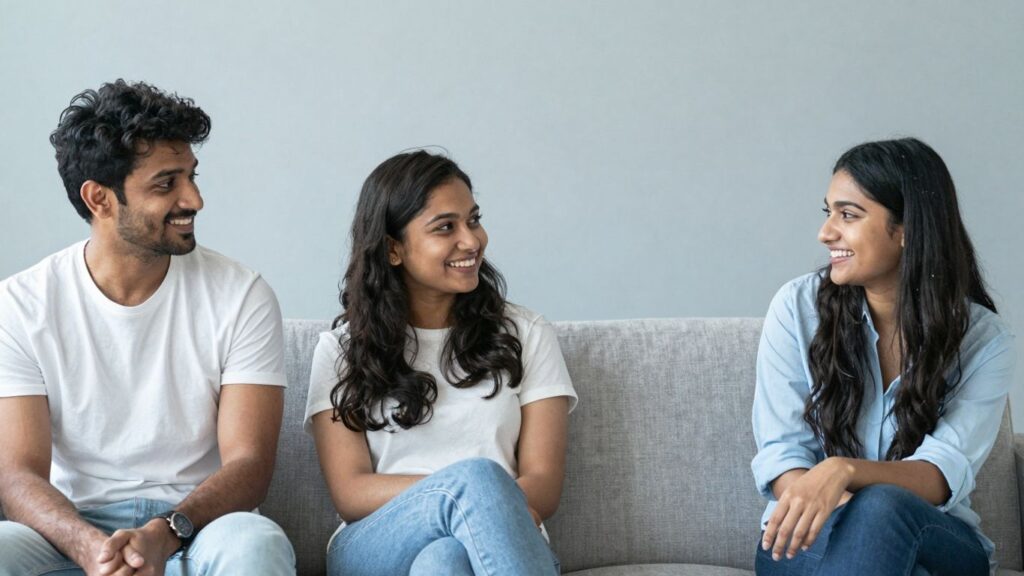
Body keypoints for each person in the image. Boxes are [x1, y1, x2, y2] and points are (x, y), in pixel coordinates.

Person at [0, 80, 295, 576]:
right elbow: (17, 473)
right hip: (72, 530)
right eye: (167, 183)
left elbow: (249, 465)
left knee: (255, 544)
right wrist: (90, 548)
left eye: (192, 177)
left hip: (198, 527)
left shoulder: (242, 295)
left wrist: (167, 531)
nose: (194, 199)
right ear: (99, 199)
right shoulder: (21, 305)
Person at [305, 150, 577, 575]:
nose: (472, 240)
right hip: (375, 543)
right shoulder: (342, 349)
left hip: (504, 537)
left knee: (444, 562)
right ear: (394, 249)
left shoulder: (525, 333)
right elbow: (351, 491)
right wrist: (462, 494)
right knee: (480, 481)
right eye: (445, 227)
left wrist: (474, 511)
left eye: (473, 219)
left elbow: (543, 484)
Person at [751, 138, 1015, 576]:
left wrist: (844, 470)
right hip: (804, 538)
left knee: (882, 507)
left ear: (907, 228)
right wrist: (843, 509)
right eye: (828, 212)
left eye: (848, 215)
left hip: (935, 539)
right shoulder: (796, 309)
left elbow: (940, 473)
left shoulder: (983, 339)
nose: (826, 232)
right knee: (871, 533)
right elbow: (783, 455)